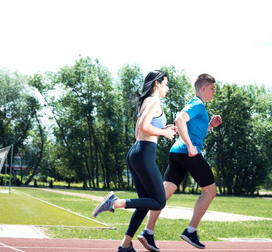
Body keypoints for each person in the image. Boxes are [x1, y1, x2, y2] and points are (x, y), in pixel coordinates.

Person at [92, 70, 177, 252]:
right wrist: (164, 132)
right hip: (144, 154)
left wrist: (163, 128)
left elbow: (140, 132)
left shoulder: (145, 102)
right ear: (157, 83)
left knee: (145, 202)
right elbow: (143, 127)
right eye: (166, 84)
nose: (167, 88)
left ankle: (125, 245)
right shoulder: (154, 101)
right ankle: (114, 203)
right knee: (159, 201)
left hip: (137, 152)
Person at [139, 73, 222, 251]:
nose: (214, 92)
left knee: (163, 195)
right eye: (213, 89)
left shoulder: (198, 107)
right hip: (187, 153)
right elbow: (179, 119)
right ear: (203, 88)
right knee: (210, 191)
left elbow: (194, 131)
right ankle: (191, 230)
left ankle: (148, 232)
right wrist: (191, 146)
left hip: (177, 153)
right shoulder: (197, 104)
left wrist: (210, 126)